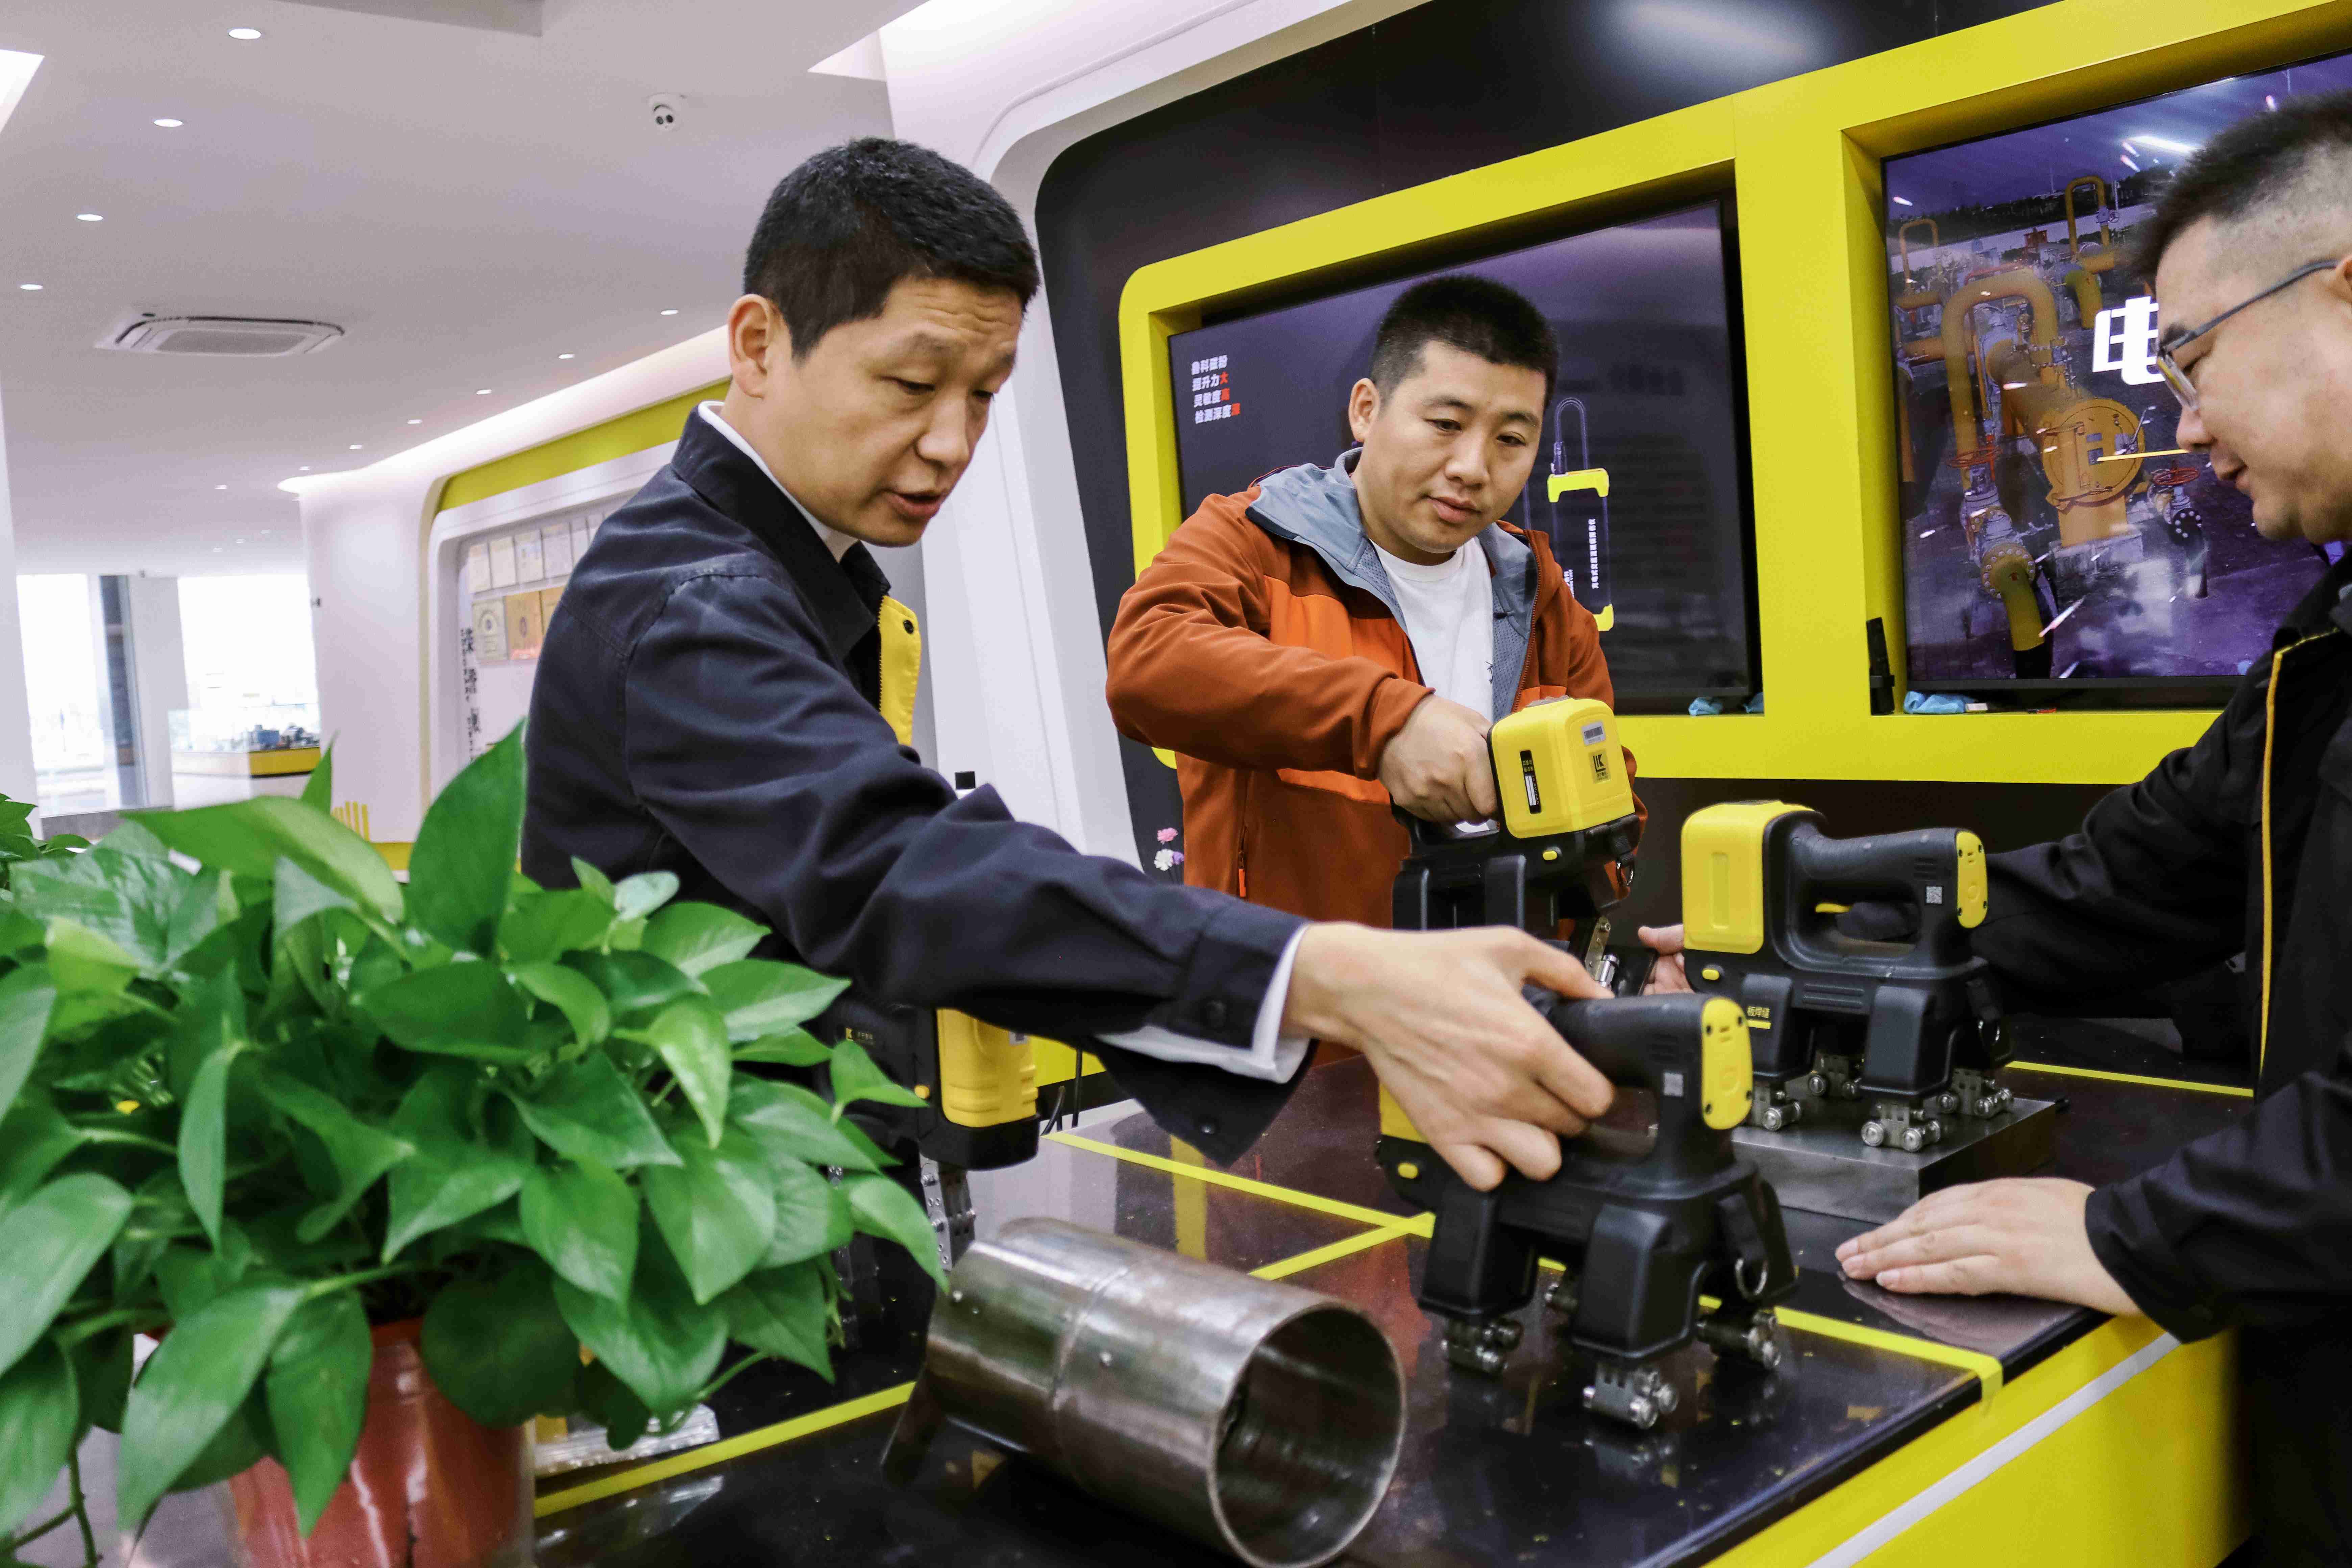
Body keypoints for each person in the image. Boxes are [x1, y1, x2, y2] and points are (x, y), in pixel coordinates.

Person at [522, 138, 1617, 1195]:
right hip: (684, 1202)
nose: (953, 443)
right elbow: (891, 864)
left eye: (983, 395)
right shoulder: (697, 601)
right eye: (911, 383)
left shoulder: (805, 572)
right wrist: (1324, 975)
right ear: (760, 346)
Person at [1653, 93, 2352, 1563]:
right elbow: (2134, 876)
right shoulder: (2330, 643)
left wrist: (2124, 1233)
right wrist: (1797, 954)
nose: (2185, 424)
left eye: (2195, 358)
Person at [1105, 276, 1634, 932]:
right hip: (1296, 990)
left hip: (1498, 988)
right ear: (1365, 411)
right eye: (1445, 424)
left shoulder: (1544, 598)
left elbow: (1613, 816)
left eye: (1510, 440)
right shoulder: (1255, 540)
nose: (1472, 467)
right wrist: (1386, 724)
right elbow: (1146, 663)